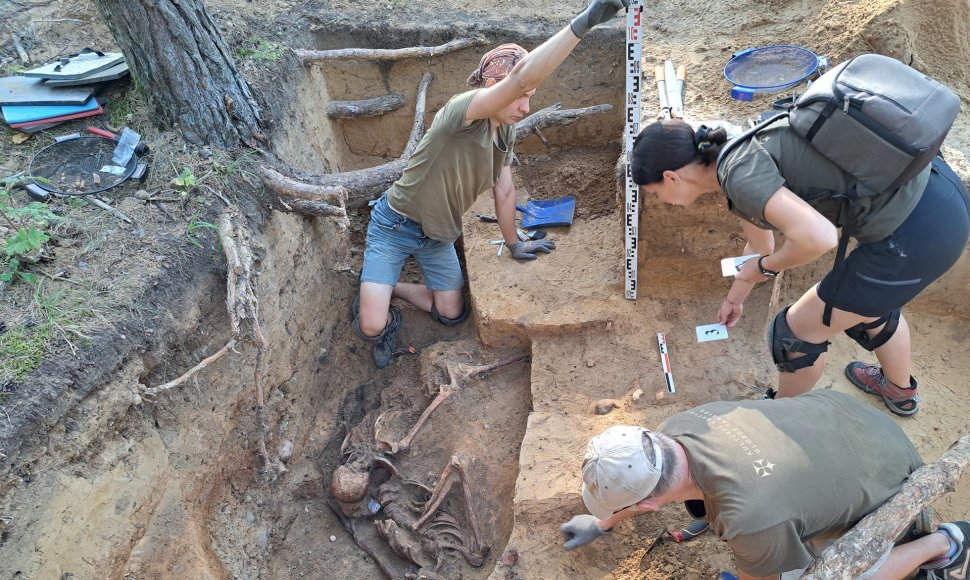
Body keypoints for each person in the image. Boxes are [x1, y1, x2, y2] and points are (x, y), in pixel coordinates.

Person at [351, 0, 629, 368]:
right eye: (521, 96)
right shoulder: (460, 112)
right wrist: (588, 20)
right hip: (395, 225)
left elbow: (505, 190)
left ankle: (387, 288)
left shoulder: (506, 132)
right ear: (494, 87)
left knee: (451, 314)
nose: (525, 107)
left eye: (530, 98)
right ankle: (378, 303)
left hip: (438, 235)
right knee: (371, 325)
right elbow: (520, 78)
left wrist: (514, 244)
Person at [629, 116, 970, 414]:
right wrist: (736, 297)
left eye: (655, 192)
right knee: (865, 301)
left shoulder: (739, 177)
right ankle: (899, 390)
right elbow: (762, 244)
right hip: (938, 196)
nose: (661, 200)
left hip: (914, 235)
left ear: (671, 177)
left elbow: (820, 238)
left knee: (792, 333)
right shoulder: (734, 152)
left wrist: (766, 267)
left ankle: (782, 415)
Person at [560, 391, 970, 579]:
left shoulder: (751, 521)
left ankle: (946, 543)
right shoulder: (676, 427)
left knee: (823, 577)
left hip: (895, 481)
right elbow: (649, 477)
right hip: (853, 423)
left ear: (649, 506)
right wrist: (601, 523)